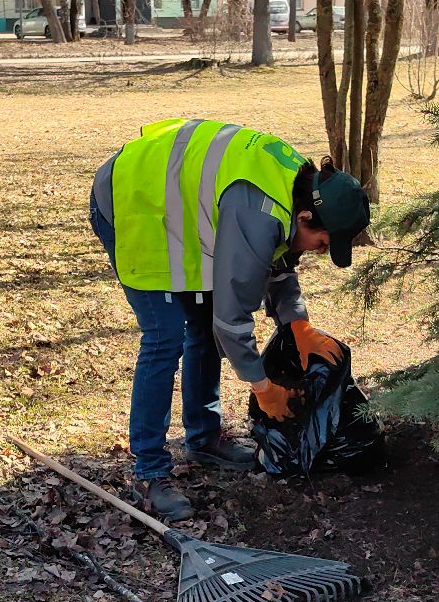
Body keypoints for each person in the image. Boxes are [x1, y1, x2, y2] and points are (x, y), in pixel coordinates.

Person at [90, 118, 371, 520]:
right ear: (306, 218)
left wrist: (298, 324)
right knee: (164, 336)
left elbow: (277, 261)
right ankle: (150, 474)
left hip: (175, 214)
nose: (319, 252)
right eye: (322, 243)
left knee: (202, 329)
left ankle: (204, 440)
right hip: (133, 203)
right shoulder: (258, 211)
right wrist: (262, 386)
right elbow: (233, 314)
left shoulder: (297, 188)